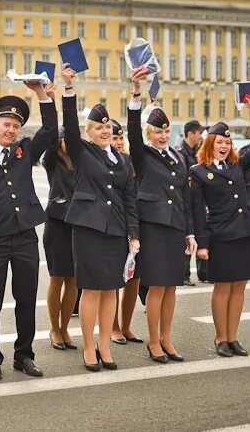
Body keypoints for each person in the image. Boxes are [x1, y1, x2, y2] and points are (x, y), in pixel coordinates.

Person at [0, 80, 57, 381]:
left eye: (16, 126)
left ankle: (24, 355)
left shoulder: (24, 152)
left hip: (25, 235)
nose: (11, 130)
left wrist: (42, 95)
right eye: (6, 124)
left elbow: (50, 130)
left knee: (26, 297)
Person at [190, 104, 250, 358]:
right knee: (223, 288)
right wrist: (202, 244)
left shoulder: (238, 165)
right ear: (210, 143)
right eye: (219, 142)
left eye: (227, 143)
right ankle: (220, 337)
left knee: (240, 288)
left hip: (244, 233)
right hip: (220, 236)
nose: (224, 147)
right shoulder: (199, 172)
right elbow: (198, 211)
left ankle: (233, 337)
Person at [60, 65, 139, 371]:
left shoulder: (123, 159)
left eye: (108, 128)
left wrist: (134, 235)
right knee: (92, 290)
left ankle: (106, 346)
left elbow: (129, 198)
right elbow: (68, 125)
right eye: (98, 128)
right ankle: (90, 347)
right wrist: (69, 90)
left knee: (111, 290)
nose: (105, 132)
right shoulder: (83, 153)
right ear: (89, 132)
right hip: (89, 229)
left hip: (117, 231)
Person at [127, 69, 197, 363]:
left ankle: (167, 338)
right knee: (156, 287)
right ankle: (153, 341)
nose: (163, 135)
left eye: (167, 131)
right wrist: (136, 94)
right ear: (149, 133)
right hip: (153, 229)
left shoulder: (178, 159)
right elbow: (131, 129)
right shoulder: (143, 155)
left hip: (174, 229)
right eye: (158, 132)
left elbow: (185, 198)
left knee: (171, 287)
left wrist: (190, 233)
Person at [42, 125, 78, 351]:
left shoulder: (81, 162)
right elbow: (47, 147)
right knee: (57, 279)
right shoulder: (52, 161)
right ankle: (54, 328)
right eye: (67, 139)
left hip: (77, 225)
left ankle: (65, 328)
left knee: (73, 280)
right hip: (56, 224)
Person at [107, 118, 142, 345]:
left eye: (121, 138)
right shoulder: (103, 161)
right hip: (114, 225)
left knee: (134, 279)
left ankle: (127, 326)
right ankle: (113, 327)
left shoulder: (130, 162)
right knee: (115, 280)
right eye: (115, 137)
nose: (119, 142)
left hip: (135, 224)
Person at [177, 120, 207, 286]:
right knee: (187, 235)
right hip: (185, 199)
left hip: (196, 199)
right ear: (191, 133)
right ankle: (184, 273)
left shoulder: (196, 151)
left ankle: (201, 272)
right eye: (199, 133)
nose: (200, 136)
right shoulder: (182, 153)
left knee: (197, 233)